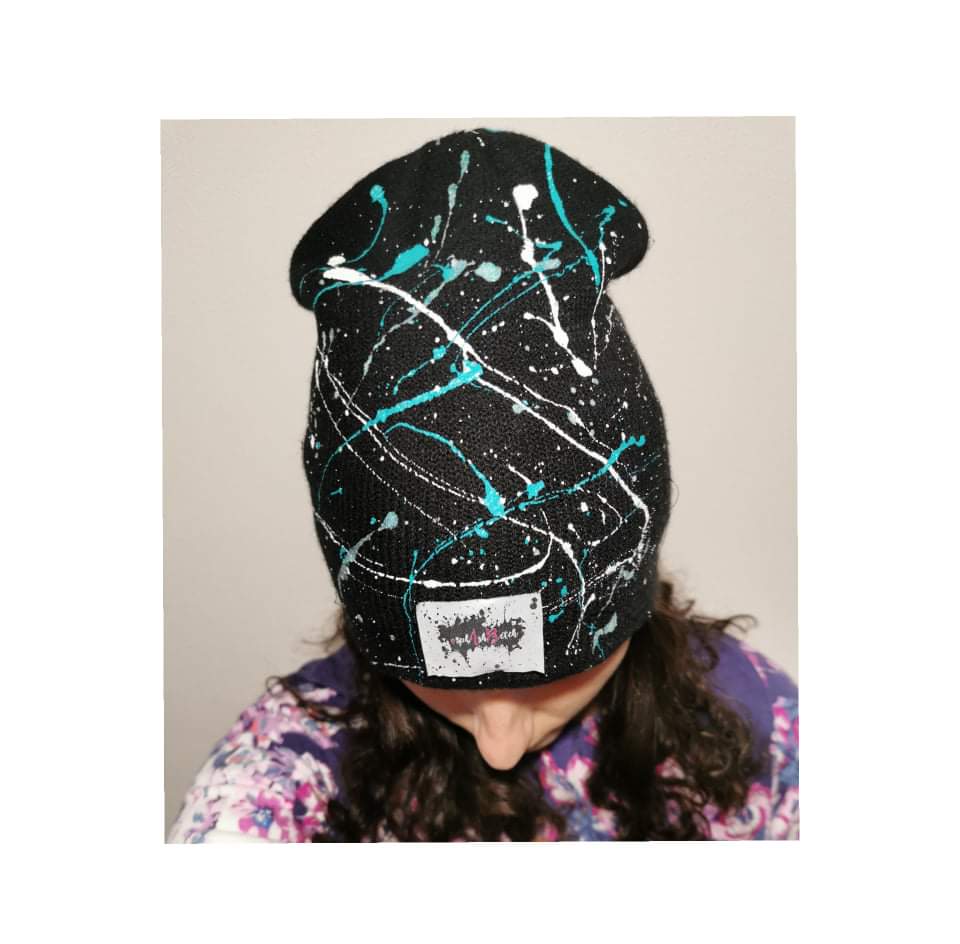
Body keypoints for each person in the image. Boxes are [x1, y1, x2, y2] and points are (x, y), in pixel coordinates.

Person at [167, 127, 798, 842]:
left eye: (553, 674)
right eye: (449, 679)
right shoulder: (281, 774)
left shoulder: (762, 733)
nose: (500, 745)